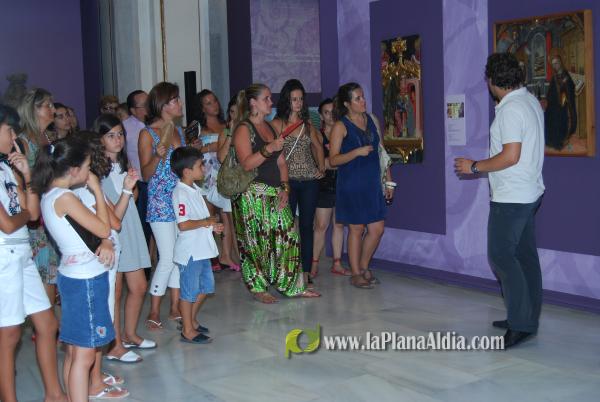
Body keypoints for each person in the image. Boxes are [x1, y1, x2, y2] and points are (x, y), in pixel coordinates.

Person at [454, 52, 545, 348]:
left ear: (492, 80)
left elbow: (510, 156)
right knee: (525, 257)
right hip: (528, 192)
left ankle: (520, 323)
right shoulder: (528, 100)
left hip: (512, 197)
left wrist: (474, 166)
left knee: (501, 256)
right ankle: (526, 317)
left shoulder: (510, 110)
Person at [34, 136, 128, 401]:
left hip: (73, 274)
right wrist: (97, 190)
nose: (90, 173)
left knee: (75, 351)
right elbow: (103, 229)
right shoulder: (65, 197)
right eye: (87, 168)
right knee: (85, 355)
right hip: (85, 279)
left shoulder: (50, 195)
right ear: (74, 170)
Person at [0, 104, 67, 402]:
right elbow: (6, 224)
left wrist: (27, 176)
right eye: (8, 130)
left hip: (22, 252)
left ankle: (54, 394)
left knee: (48, 324)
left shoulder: (7, 168)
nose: (14, 137)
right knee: (10, 334)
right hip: (4, 257)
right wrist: (22, 215)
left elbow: (32, 215)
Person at [231, 83, 320, 303]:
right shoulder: (244, 129)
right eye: (267, 99)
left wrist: (285, 187)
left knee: (289, 236)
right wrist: (268, 148)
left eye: (270, 98)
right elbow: (246, 164)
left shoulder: (269, 128)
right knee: (255, 243)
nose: (271, 102)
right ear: (253, 103)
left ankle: (292, 286)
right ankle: (258, 287)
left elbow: (281, 162)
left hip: (275, 191)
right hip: (251, 194)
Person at [93, 114, 154, 361]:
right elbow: (108, 210)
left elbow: (132, 195)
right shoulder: (96, 170)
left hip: (130, 224)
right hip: (112, 230)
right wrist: (127, 191)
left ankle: (130, 334)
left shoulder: (122, 162)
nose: (117, 139)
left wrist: (132, 187)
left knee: (139, 286)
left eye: (120, 134)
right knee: (115, 291)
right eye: (111, 135)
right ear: (100, 139)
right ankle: (115, 345)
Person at [329, 83, 394, 289]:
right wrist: (356, 153)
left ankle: (364, 266)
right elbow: (333, 160)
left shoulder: (372, 120)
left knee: (377, 229)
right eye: (357, 98)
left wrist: (389, 181)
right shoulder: (340, 126)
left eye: (363, 96)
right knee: (356, 228)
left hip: (372, 183)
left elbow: (382, 153)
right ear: (347, 104)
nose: (363, 101)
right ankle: (356, 273)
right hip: (352, 184)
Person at [138, 82, 186, 329]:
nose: (180, 103)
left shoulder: (178, 131)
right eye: (175, 100)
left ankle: (175, 306)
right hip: (159, 201)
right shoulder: (147, 134)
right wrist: (158, 155)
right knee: (167, 257)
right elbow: (146, 174)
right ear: (163, 105)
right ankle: (154, 308)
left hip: (179, 199)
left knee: (179, 255)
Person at [271, 79, 325, 287]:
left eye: (301, 99)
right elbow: (270, 153)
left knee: (306, 226)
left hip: (309, 180)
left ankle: (305, 272)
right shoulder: (277, 124)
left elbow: (318, 146)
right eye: (294, 99)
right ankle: (286, 270)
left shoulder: (307, 124)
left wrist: (321, 168)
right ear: (287, 100)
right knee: (285, 226)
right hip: (288, 181)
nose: (298, 103)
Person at [171, 146, 223, 343]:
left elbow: (200, 219)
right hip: (190, 252)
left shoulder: (195, 189)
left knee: (206, 287)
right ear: (187, 171)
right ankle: (187, 330)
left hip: (202, 249)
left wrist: (212, 226)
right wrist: (206, 222)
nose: (204, 168)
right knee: (189, 292)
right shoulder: (180, 193)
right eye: (200, 165)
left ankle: (190, 320)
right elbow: (183, 224)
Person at [17, 88, 61, 305]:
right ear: (33, 109)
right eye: (48, 105)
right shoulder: (24, 142)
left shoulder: (48, 137)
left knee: (52, 270)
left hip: (52, 209)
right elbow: (20, 182)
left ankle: (48, 319)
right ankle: (45, 319)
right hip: (36, 215)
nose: (53, 110)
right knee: (45, 269)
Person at [192, 89, 239, 270]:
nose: (214, 105)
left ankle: (226, 256)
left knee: (227, 216)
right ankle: (211, 257)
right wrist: (207, 147)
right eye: (208, 103)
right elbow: (191, 151)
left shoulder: (227, 124)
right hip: (205, 175)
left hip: (224, 173)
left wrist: (215, 146)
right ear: (202, 108)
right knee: (209, 216)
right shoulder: (197, 128)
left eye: (215, 101)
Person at [312, 98, 351, 278]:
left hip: (343, 183)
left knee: (339, 224)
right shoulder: (318, 136)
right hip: (323, 185)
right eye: (326, 112)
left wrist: (332, 163)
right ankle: (313, 263)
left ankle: (337, 263)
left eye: (333, 112)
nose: (330, 116)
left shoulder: (344, 133)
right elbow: (321, 164)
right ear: (321, 116)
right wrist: (333, 163)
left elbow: (341, 161)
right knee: (321, 225)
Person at [123, 90, 153, 248]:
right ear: (133, 110)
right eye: (144, 105)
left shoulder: (157, 124)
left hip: (159, 182)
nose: (149, 107)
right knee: (143, 228)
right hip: (140, 184)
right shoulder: (125, 129)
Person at [543, 52, 577, 150]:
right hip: (553, 104)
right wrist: (548, 100)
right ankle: (551, 141)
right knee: (548, 116)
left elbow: (569, 89)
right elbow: (551, 91)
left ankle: (559, 142)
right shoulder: (555, 76)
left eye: (556, 63)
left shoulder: (566, 75)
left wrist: (562, 100)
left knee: (559, 119)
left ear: (560, 62)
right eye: (553, 64)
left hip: (562, 104)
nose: (555, 65)